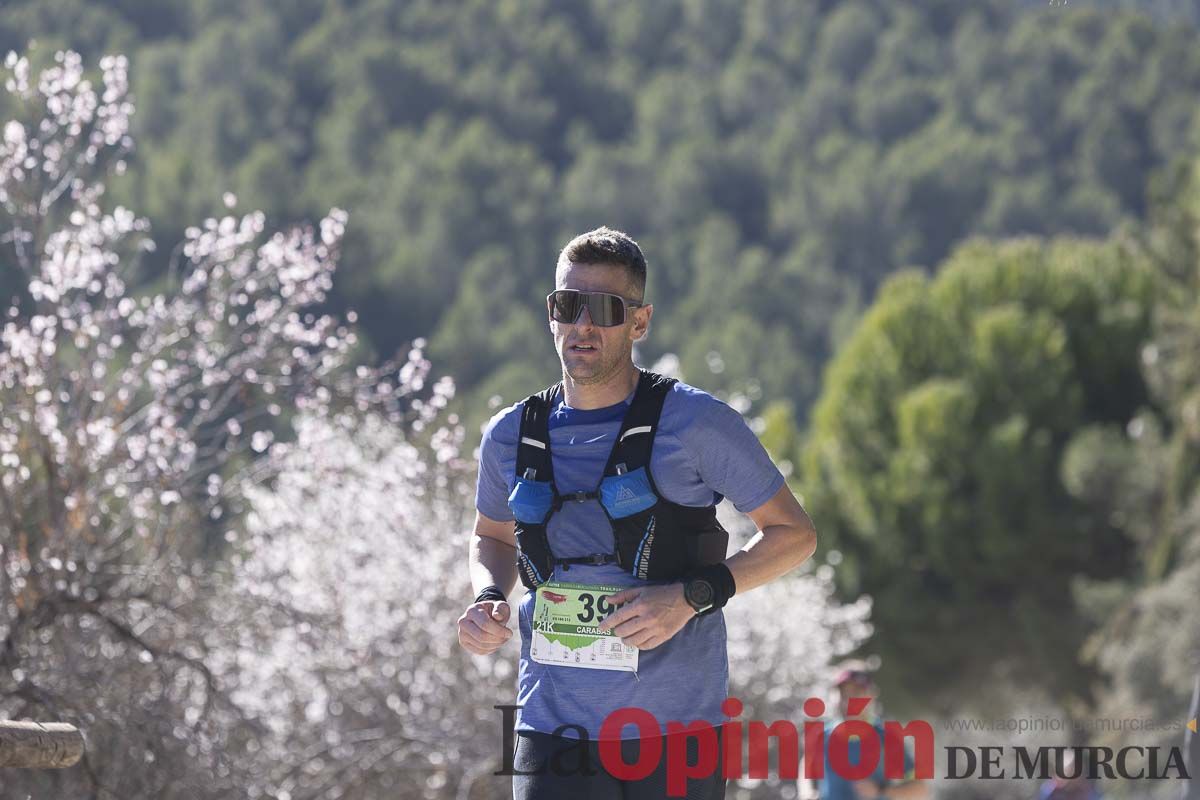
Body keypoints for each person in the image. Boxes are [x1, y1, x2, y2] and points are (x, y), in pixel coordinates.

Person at [457, 226, 818, 799]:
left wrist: (690, 596)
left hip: (676, 735)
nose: (583, 324)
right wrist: (487, 597)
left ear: (640, 322)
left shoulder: (697, 424)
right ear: (551, 314)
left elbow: (794, 535)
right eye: (567, 305)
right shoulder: (509, 434)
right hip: (551, 730)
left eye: (604, 308)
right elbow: (493, 539)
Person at [805, 663, 928, 800]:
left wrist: (881, 791)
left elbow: (920, 790)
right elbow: (806, 770)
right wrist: (808, 793)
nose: (849, 701)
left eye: (856, 693)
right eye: (843, 693)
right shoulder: (821, 737)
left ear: (871, 696)